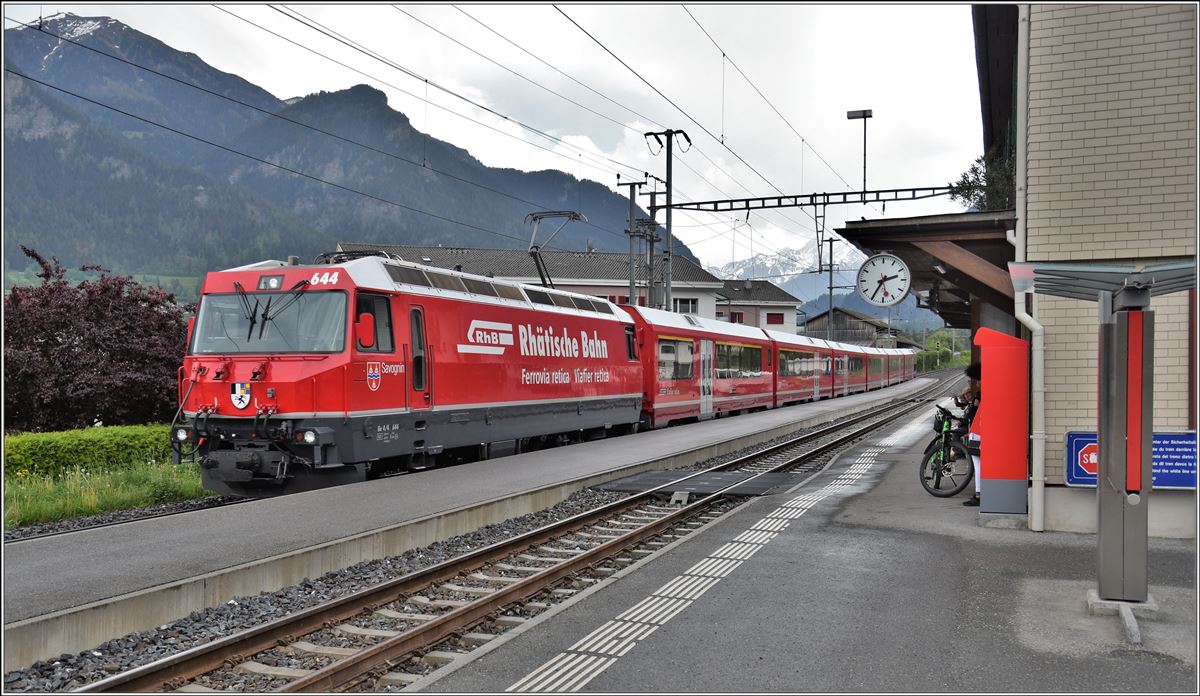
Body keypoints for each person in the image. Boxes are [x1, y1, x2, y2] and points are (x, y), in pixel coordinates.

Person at [958, 362, 982, 506]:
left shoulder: (981, 395)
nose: (977, 383)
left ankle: (979, 493)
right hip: (980, 430)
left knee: (978, 463)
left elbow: (974, 414)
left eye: (979, 380)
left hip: (978, 431)